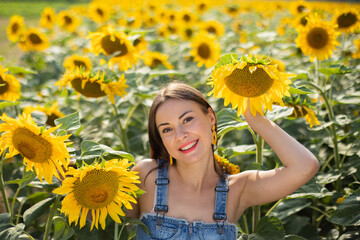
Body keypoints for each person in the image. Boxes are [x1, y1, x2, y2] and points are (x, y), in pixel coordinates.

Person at [127, 82, 319, 239]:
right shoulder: (147, 176)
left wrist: (257, 120)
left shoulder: (238, 189)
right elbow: (112, 231)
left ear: (210, 117)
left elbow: (305, 166)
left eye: (187, 120)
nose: (181, 135)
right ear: (160, 139)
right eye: (167, 129)